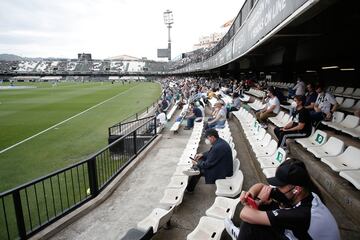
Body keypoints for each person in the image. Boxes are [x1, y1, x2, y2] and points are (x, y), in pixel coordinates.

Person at [224, 158, 340, 240]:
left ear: (296, 189)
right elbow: (260, 186)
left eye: (280, 185)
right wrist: (250, 194)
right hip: (300, 232)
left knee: (251, 225)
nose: (276, 188)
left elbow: (244, 214)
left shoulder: (302, 214)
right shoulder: (305, 192)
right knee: (263, 208)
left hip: (299, 233)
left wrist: (258, 200)